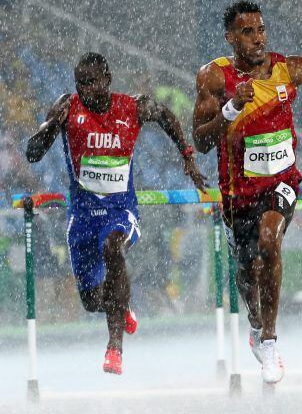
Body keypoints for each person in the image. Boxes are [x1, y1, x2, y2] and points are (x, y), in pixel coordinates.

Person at [26, 52, 206, 375]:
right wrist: (55, 125)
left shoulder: (132, 107)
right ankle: (119, 308)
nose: (85, 89)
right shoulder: (67, 107)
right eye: (80, 83)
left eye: (92, 81)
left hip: (120, 211)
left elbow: (166, 116)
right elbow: (32, 153)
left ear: (108, 80)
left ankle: (114, 348)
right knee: (92, 301)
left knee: (113, 247)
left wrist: (188, 156)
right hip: (82, 218)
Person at [193, 0, 302, 384]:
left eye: (261, 30)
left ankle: (270, 340)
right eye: (247, 32)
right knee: (248, 276)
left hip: (281, 182)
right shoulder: (214, 79)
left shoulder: (286, 70)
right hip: (238, 193)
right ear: (230, 37)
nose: (257, 39)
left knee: (271, 238)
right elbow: (201, 142)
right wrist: (232, 109)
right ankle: (255, 324)